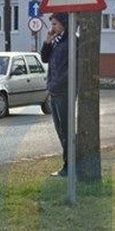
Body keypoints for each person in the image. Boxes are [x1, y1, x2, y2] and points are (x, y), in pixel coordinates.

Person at [41, 12, 69, 177]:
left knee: (65, 130)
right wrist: (47, 42)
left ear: (64, 24)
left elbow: (69, 68)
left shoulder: (71, 41)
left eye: (55, 24)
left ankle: (69, 165)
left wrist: (58, 83)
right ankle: (66, 164)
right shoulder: (56, 42)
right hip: (54, 90)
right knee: (60, 130)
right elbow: (44, 58)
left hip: (64, 91)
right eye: (52, 24)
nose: (52, 28)